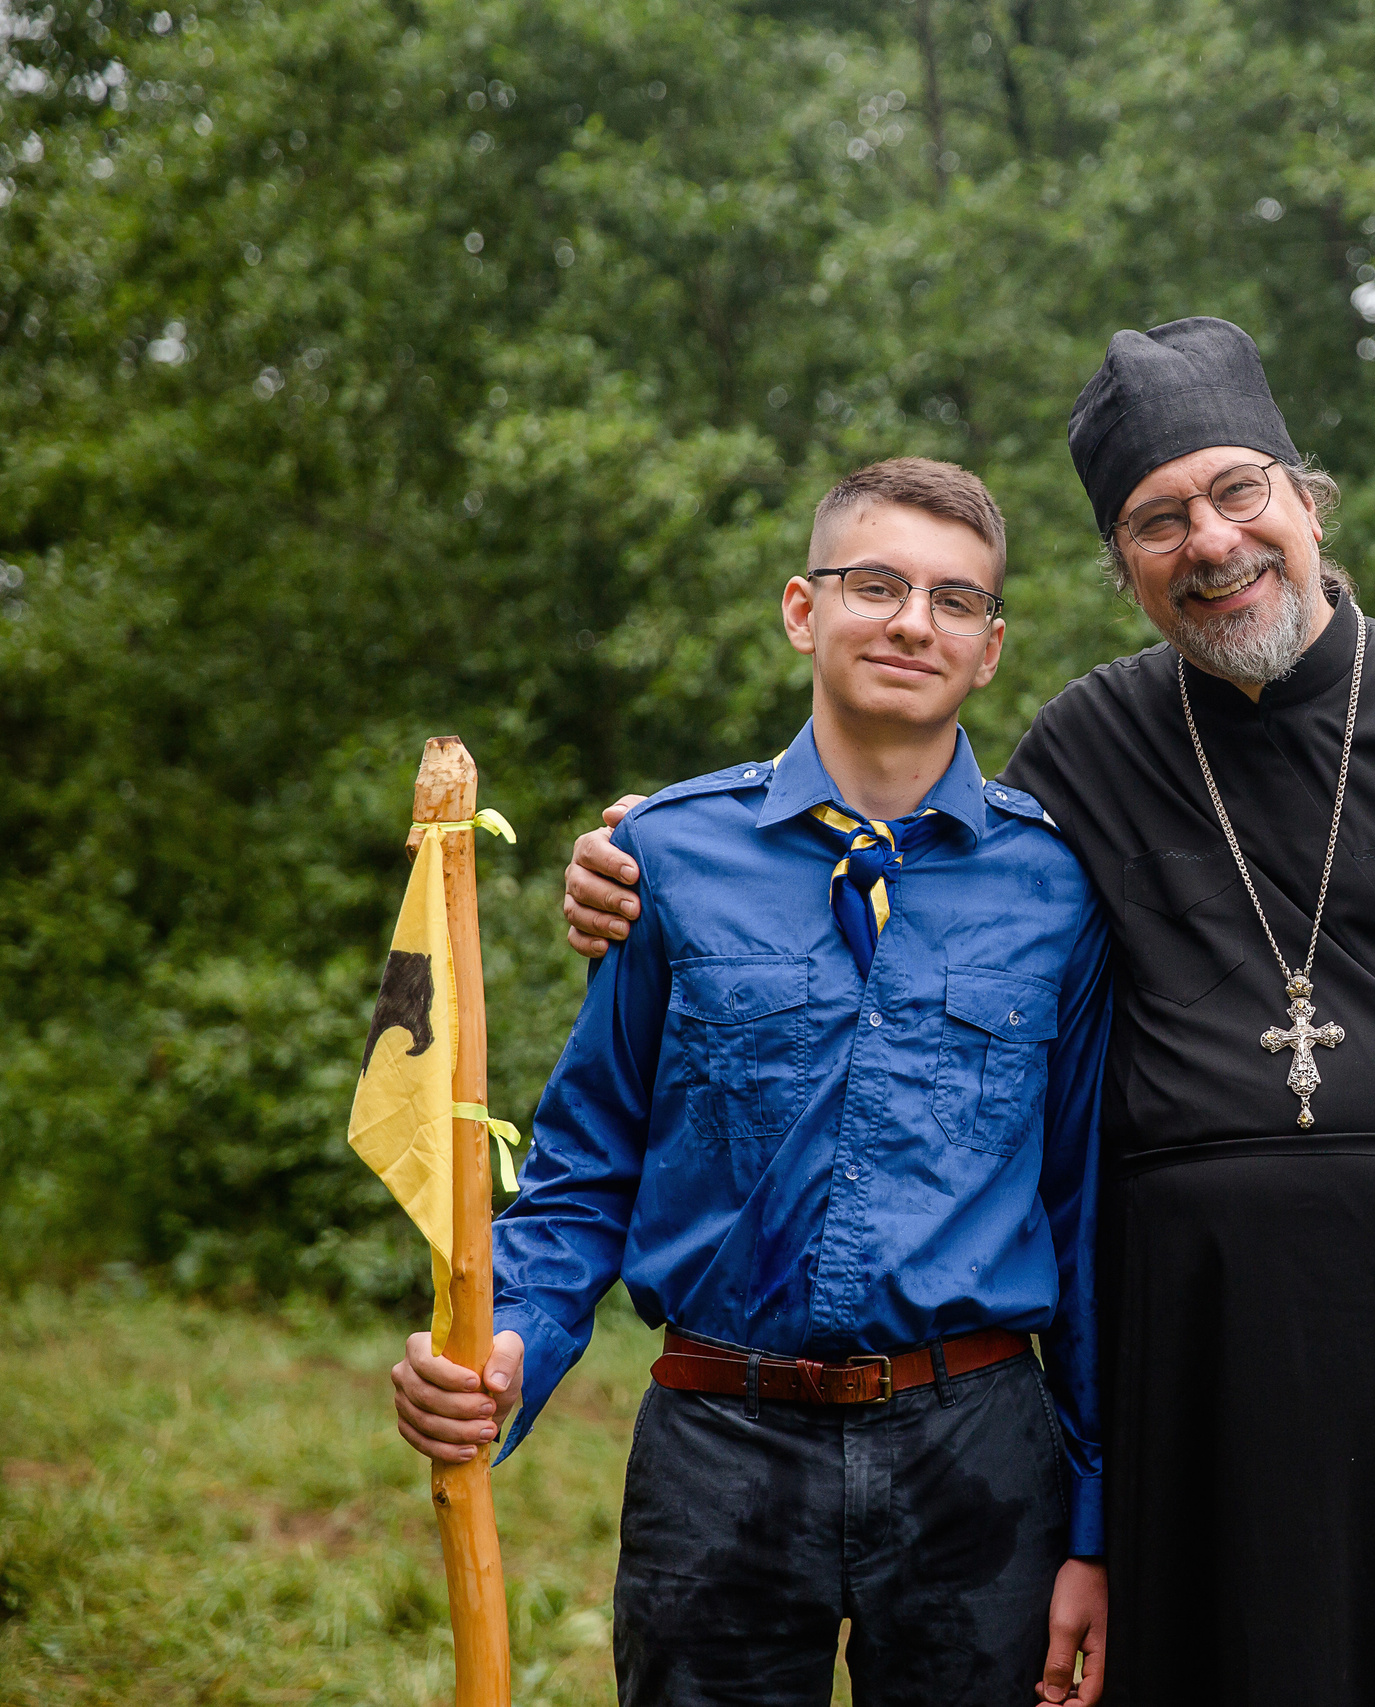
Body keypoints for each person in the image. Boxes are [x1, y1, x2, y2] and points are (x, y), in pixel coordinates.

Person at [564, 322, 1375, 1706]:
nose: (1211, 543)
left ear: (1305, 497)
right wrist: (645, 859)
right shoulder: (1092, 748)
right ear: (1124, 568)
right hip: (1206, 1378)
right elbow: (910, 887)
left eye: (1238, 494)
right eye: (1158, 522)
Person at [394, 458, 1111, 1707]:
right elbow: (586, 1167)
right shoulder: (664, 857)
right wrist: (504, 1339)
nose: (909, 621)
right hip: (717, 1441)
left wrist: (1098, 1522)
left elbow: (1088, 1214)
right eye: (874, 584)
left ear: (990, 650)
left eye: (954, 601)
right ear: (801, 608)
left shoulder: (1057, 887)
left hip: (980, 1448)